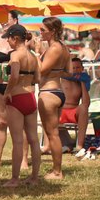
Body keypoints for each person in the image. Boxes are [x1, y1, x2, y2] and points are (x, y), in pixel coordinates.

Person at [1, 24, 41, 187]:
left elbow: (14, 76)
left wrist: (7, 91)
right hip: (30, 97)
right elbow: (38, 79)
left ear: (15, 38)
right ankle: (34, 177)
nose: (7, 43)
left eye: (8, 39)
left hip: (17, 98)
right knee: (33, 139)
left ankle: (15, 179)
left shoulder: (15, 55)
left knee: (17, 140)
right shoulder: (32, 56)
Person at [37, 17, 69, 179]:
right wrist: (56, 72)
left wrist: (35, 53)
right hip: (58, 90)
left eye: (43, 30)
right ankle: (56, 170)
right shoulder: (63, 47)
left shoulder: (54, 48)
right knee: (52, 133)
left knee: (52, 134)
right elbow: (69, 71)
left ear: (53, 31)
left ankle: (57, 172)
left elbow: (41, 70)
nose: (40, 32)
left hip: (48, 93)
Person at [0, 10, 21, 169]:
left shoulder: (21, 40)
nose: (2, 23)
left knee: (19, 124)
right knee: (1, 122)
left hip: (15, 86)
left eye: (6, 20)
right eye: (0, 20)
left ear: (15, 20)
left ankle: (23, 160)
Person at [60, 57, 91, 152]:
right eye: (72, 68)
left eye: (78, 67)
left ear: (82, 69)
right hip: (60, 111)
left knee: (83, 108)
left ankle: (79, 145)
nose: (75, 70)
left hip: (74, 112)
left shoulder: (83, 80)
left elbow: (86, 103)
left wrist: (82, 83)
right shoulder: (61, 79)